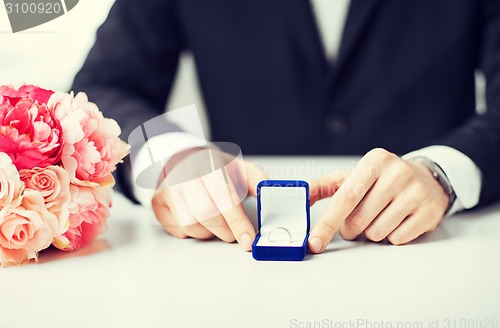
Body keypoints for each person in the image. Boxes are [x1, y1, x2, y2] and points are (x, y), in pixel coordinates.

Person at [72, 0, 500, 254]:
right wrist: (168, 156)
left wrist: (444, 173)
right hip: (230, 263)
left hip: (439, 249)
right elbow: (106, 85)